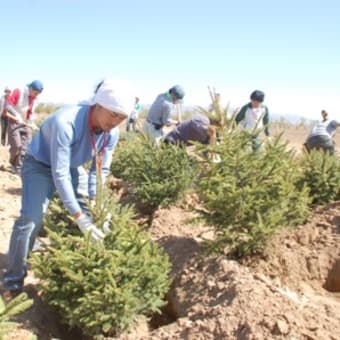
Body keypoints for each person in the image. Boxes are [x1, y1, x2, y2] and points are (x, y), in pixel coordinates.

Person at [3, 79, 129, 293]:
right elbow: (58, 173)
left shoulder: (112, 133)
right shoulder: (66, 122)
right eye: (113, 114)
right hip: (40, 165)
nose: (116, 121)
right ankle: (13, 279)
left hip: (71, 167)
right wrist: (79, 217)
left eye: (122, 117)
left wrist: (98, 203)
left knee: (96, 216)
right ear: (97, 105)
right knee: (32, 219)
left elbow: (99, 171)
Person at [4, 80, 43, 174]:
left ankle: (18, 168)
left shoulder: (36, 99)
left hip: (26, 124)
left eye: (38, 93)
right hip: (14, 123)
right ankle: (12, 162)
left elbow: (30, 113)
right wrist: (16, 116)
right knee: (16, 146)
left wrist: (32, 123)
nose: (36, 95)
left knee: (26, 148)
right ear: (30, 88)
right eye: (35, 92)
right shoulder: (19, 92)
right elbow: (7, 107)